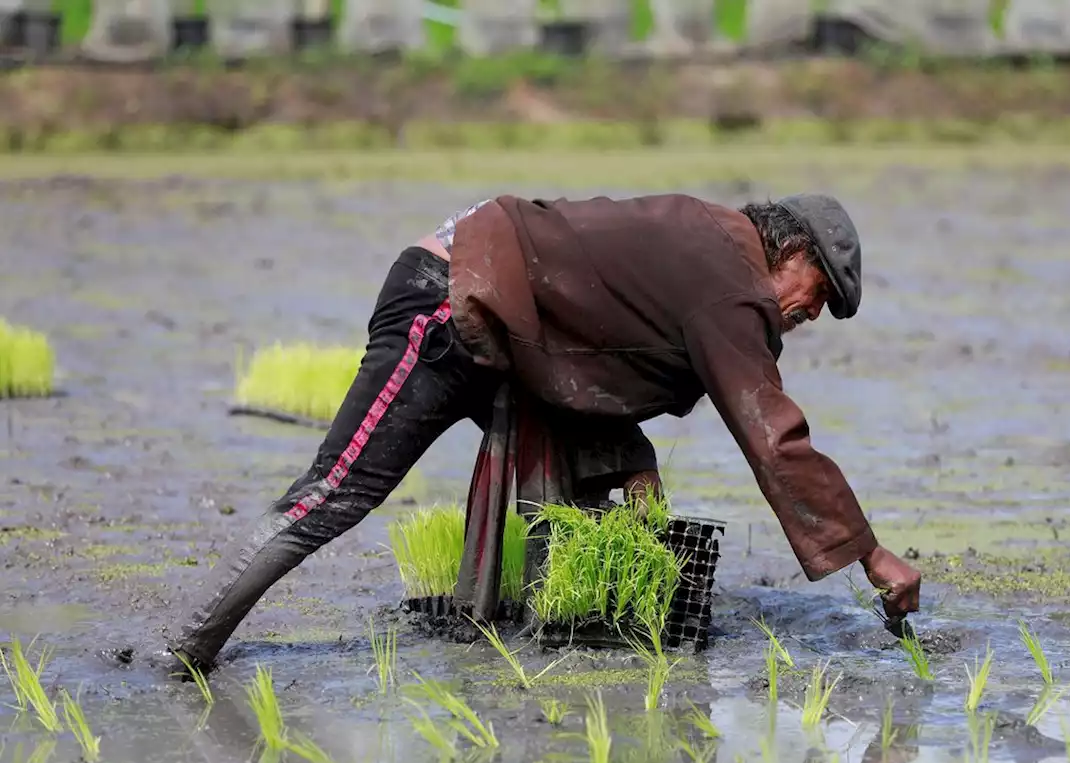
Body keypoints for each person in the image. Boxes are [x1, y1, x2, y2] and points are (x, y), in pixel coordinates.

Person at [164, 192, 922, 673]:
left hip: (506, 333)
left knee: (566, 505)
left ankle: (492, 640)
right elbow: (773, 436)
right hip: (450, 301)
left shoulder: (707, 246)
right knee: (341, 491)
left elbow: (596, 341)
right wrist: (868, 552)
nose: (809, 314)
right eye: (817, 294)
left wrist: (632, 452)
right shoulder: (730, 281)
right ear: (789, 252)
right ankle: (187, 645)